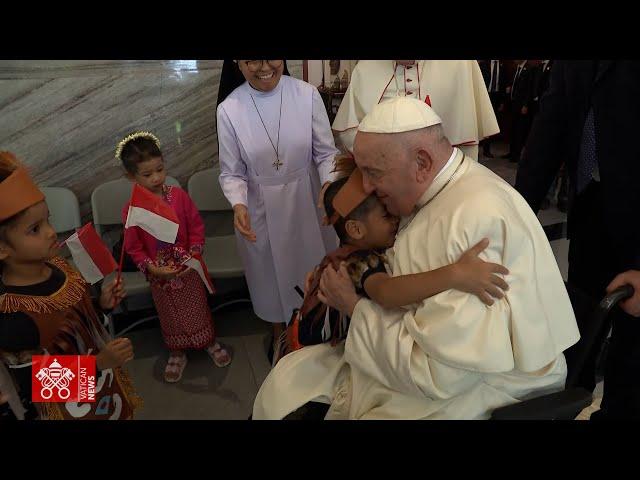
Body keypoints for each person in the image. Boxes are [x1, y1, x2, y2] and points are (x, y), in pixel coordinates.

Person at [253, 97, 579, 420]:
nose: (365, 185)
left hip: (487, 387)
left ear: (422, 162)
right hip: (426, 354)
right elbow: (398, 247)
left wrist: (354, 307)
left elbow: (436, 374)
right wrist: (340, 267)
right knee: (292, 375)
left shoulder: (475, 222)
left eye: (373, 173)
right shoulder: (435, 184)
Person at [515, 60, 640, 419]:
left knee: (632, 355)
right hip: (591, 209)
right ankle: (573, 403)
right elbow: (547, 131)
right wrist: (512, 217)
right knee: (578, 331)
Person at [286, 156, 509, 354]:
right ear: (355, 230)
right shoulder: (359, 260)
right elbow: (386, 292)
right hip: (311, 352)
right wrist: (456, 274)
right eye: (386, 215)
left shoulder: (350, 251)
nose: (396, 218)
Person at [0, 151, 141, 420]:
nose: (51, 232)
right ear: (2, 248)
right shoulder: (13, 316)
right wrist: (97, 365)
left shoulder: (59, 268)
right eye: (35, 229)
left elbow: (78, 325)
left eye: (48, 220)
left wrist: (101, 306)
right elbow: (35, 385)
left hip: (104, 393)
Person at [216, 60, 339, 360]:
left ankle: (322, 335)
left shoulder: (307, 95)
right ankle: (281, 338)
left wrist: (329, 186)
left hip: (308, 201)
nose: (263, 67)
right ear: (237, 63)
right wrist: (239, 203)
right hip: (259, 207)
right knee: (269, 278)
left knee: (314, 269)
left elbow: (326, 153)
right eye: (251, 60)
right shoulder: (229, 110)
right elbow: (231, 172)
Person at [119, 132, 231, 383]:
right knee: (169, 313)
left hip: (186, 267)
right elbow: (134, 247)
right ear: (131, 177)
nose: (157, 178)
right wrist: (152, 268)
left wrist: (194, 252)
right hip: (159, 274)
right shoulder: (133, 210)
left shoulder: (178, 196)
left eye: (160, 169)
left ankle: (208, 342)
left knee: (197, 307)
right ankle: (177, 351)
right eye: (147, 175)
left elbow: (196, 227)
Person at [332, 60, 499, 160]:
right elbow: (349, 131)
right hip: (386, 183)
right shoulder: (366, 67)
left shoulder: (460, 64)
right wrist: (387, 158)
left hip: (446, 177)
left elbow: (466, 134)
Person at [479, 60, 507, 158]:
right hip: (483, 96)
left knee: (490, 123)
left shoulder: (503, 67)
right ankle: (477, 147)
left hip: (496, 98)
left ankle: (487, 150)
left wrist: (502, 102)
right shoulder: (484, 64)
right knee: (480, 122)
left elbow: (503, 85)